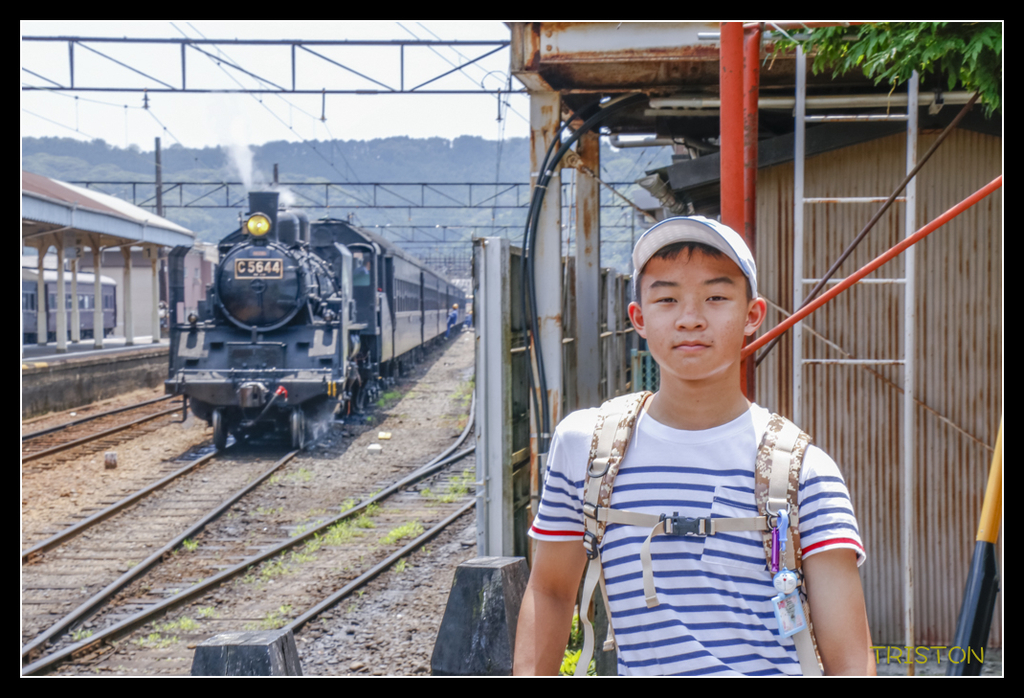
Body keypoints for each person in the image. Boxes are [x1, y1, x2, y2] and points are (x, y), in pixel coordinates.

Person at [513, 216, 874, 676]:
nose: (690, 319)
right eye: (667, 299)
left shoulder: (804, 471)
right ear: (639, 318)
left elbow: (850, 660)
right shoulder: (587, 449)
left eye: (716, 297)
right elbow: (551, 590)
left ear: (752, 315)